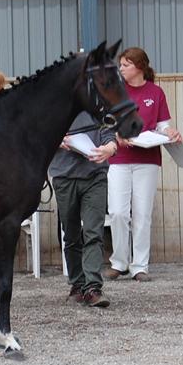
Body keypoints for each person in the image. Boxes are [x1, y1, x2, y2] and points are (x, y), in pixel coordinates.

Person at [105, 46, 182, 282]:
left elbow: (162, 125)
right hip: (119, 159)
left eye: (125, 65)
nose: (121, 69)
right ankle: (119, 262)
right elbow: (107, 124)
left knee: (142, 213)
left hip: (147, 160)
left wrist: (171, 132)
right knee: (118, 212)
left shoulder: (156, 93)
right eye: (121, 65)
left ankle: (140, 266)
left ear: (139, 67)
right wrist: (117, 135)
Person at [50, 110, 118, 307]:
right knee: (70, 234)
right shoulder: (56, 106)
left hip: (95, 176)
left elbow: (110, 133)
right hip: (64, 176)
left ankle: (93, 288)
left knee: (93, 232)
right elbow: (39, 135)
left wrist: (109, 148)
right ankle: (78, 284)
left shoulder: (98, 106)